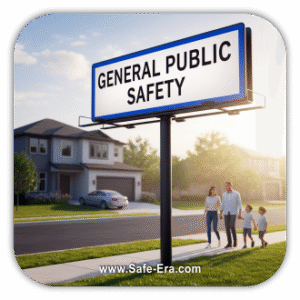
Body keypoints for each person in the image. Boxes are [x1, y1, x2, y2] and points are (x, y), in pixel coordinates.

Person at [220, 181, 242, 248]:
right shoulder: (224, 194)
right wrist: (220, 213)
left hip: (233, 213)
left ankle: (235, 240)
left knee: (232, 226)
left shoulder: (236, 194)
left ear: (231, 186)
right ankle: (229, 243)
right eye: (226, 186)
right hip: (226, 213)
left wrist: (240, 213)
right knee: (227, 228)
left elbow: (239, 204)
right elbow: (223, 204)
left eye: (228, 186)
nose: (227, 187)